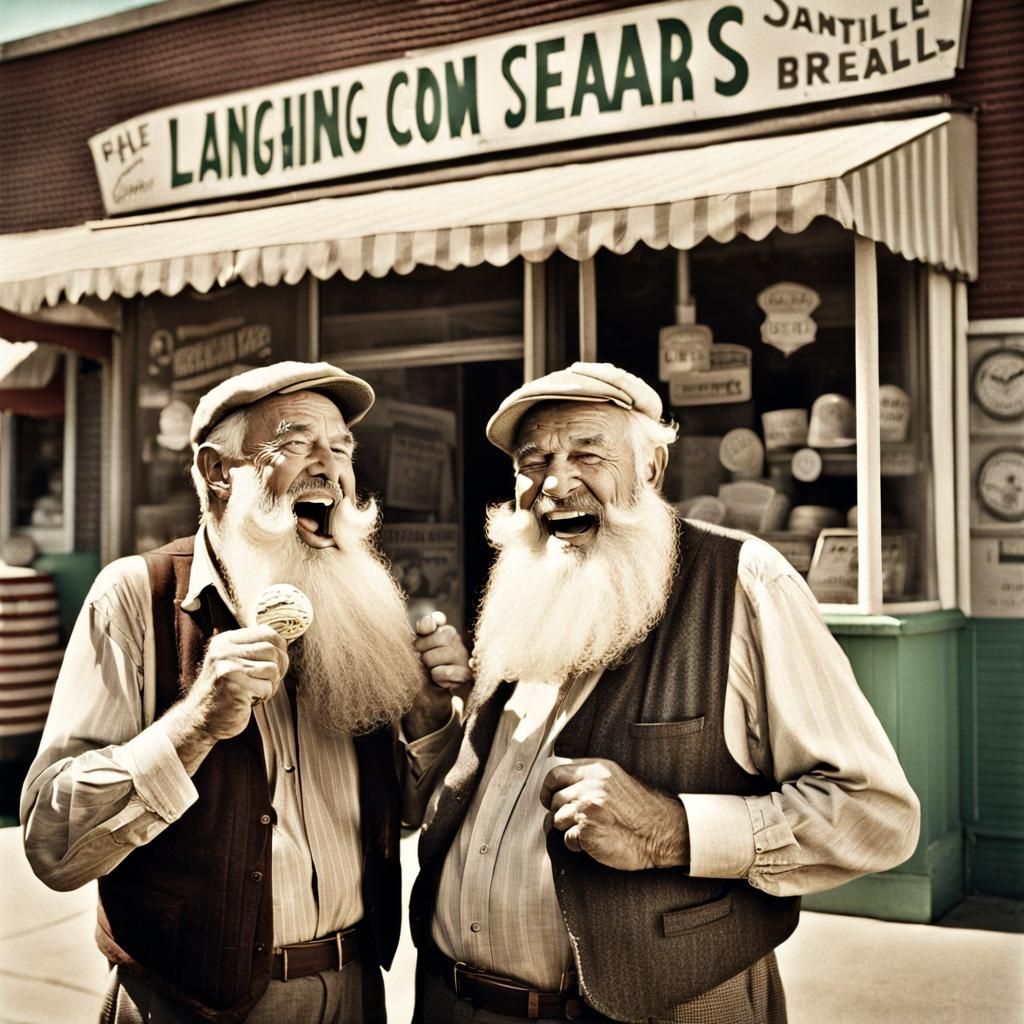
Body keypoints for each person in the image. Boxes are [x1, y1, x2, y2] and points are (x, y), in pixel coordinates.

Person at [410, 362, 921, 1024]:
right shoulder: (522, 590)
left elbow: (874, 813)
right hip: (453, 1002)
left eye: (586, 454)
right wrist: (436, 722)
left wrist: (675, 830)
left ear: (650, 470)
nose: (554, 484)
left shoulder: (743, 582)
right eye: (532, 462)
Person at [21, 361, 470, 1024]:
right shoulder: (135, 597)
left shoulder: (362, 607)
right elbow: (52, 842)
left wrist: (433, 716)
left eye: (342, 448)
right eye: (295, 443)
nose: (330, 469)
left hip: (354, 992)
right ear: (215, 471)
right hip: (189, 1002)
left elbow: (402, 815)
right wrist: (194, 725)